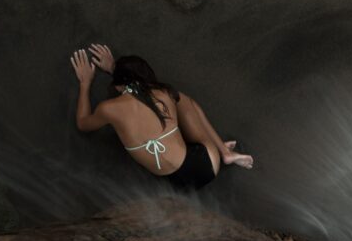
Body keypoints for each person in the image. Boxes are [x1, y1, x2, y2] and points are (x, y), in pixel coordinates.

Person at [70, 44, 253, 190]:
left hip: (177, 183)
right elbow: (139, 89)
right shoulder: (164, 94)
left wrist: (85, 83)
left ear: (119, 84)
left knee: (169, 120)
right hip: (207, 166)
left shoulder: (108, 109)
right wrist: (114, 69)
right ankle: (225, 153)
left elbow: (82, 123)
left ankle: (224, 152)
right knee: (183, 101)